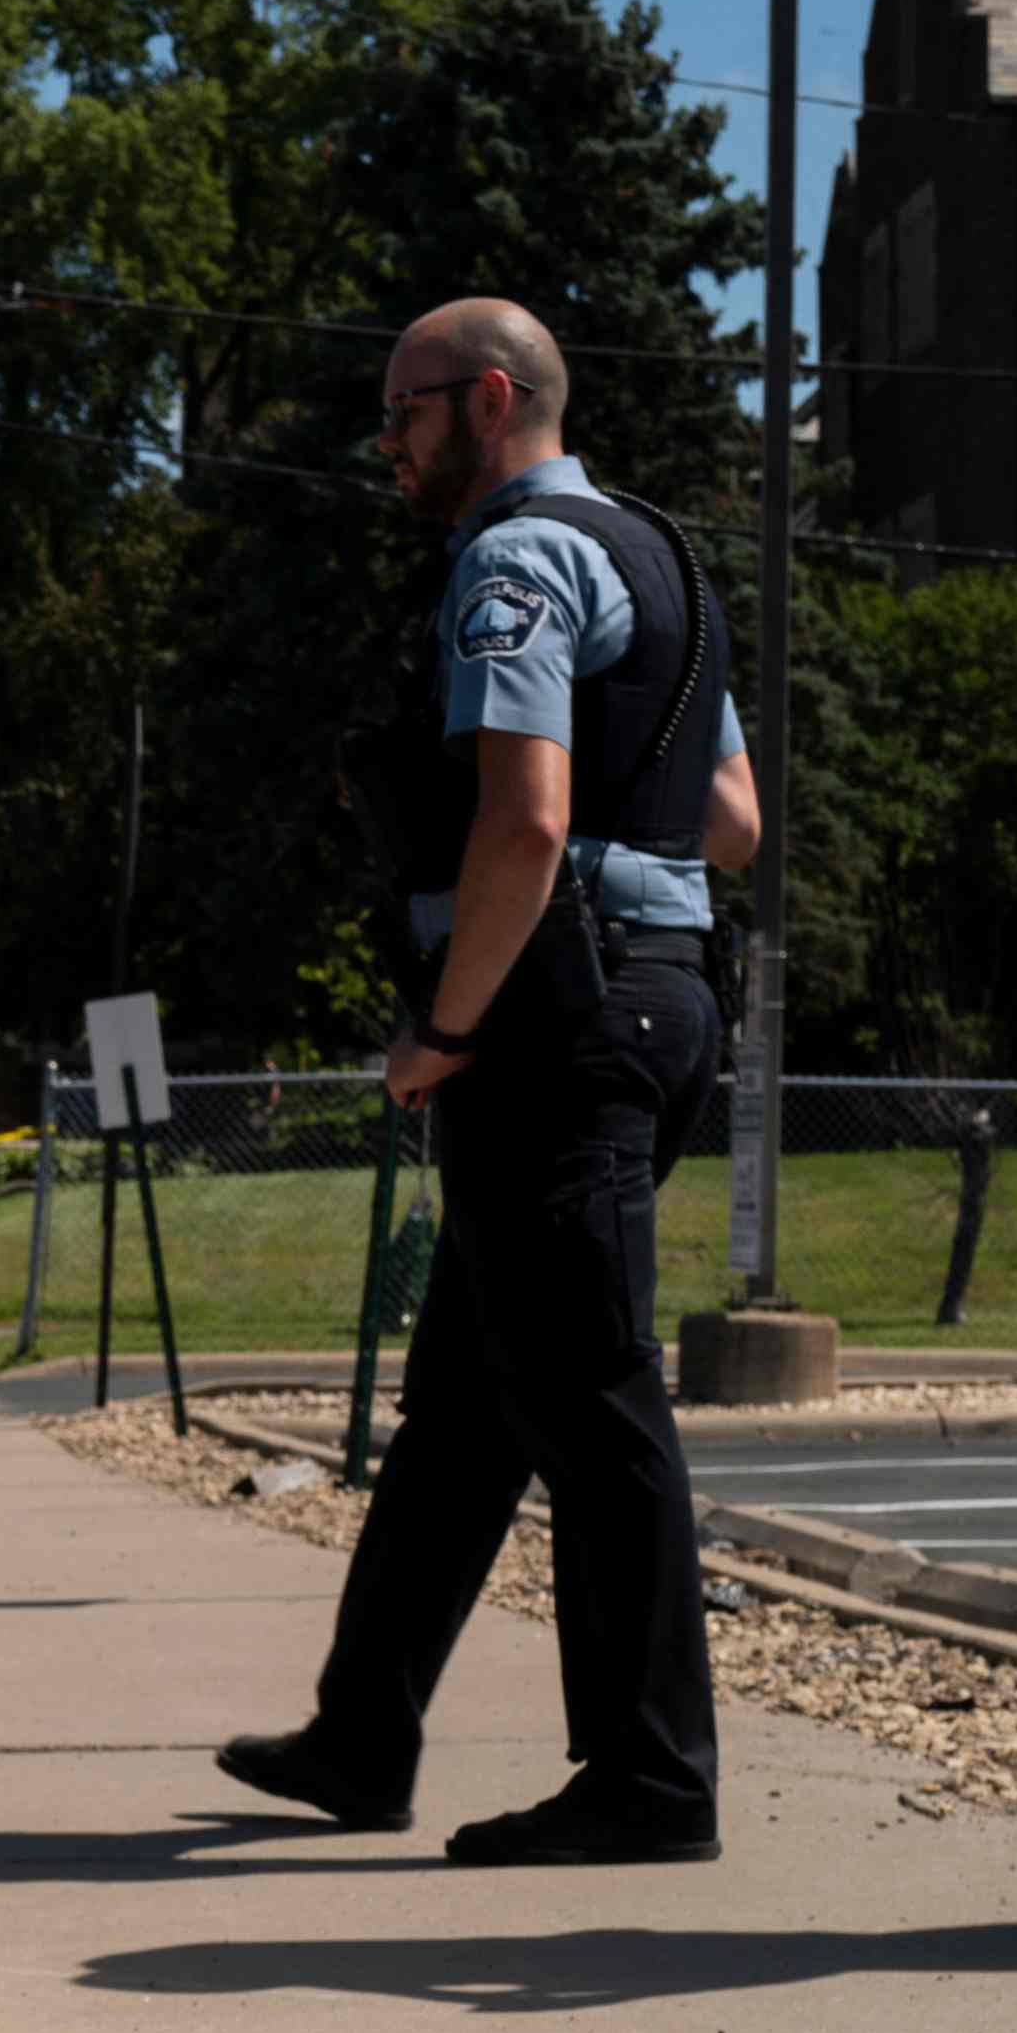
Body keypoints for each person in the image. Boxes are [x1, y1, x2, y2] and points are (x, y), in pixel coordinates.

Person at [216, 298, 760, 1868]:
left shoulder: (510, 563)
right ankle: (361, 1731)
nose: (384, 440)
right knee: (467, 1395)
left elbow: (519, 826)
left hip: (553, 1024)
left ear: (492, 399)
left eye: (405, 409)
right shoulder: (660, 557)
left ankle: (652, 1776)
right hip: (660, 1004)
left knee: (591, 1394)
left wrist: (444, 1030)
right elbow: (728, 817)